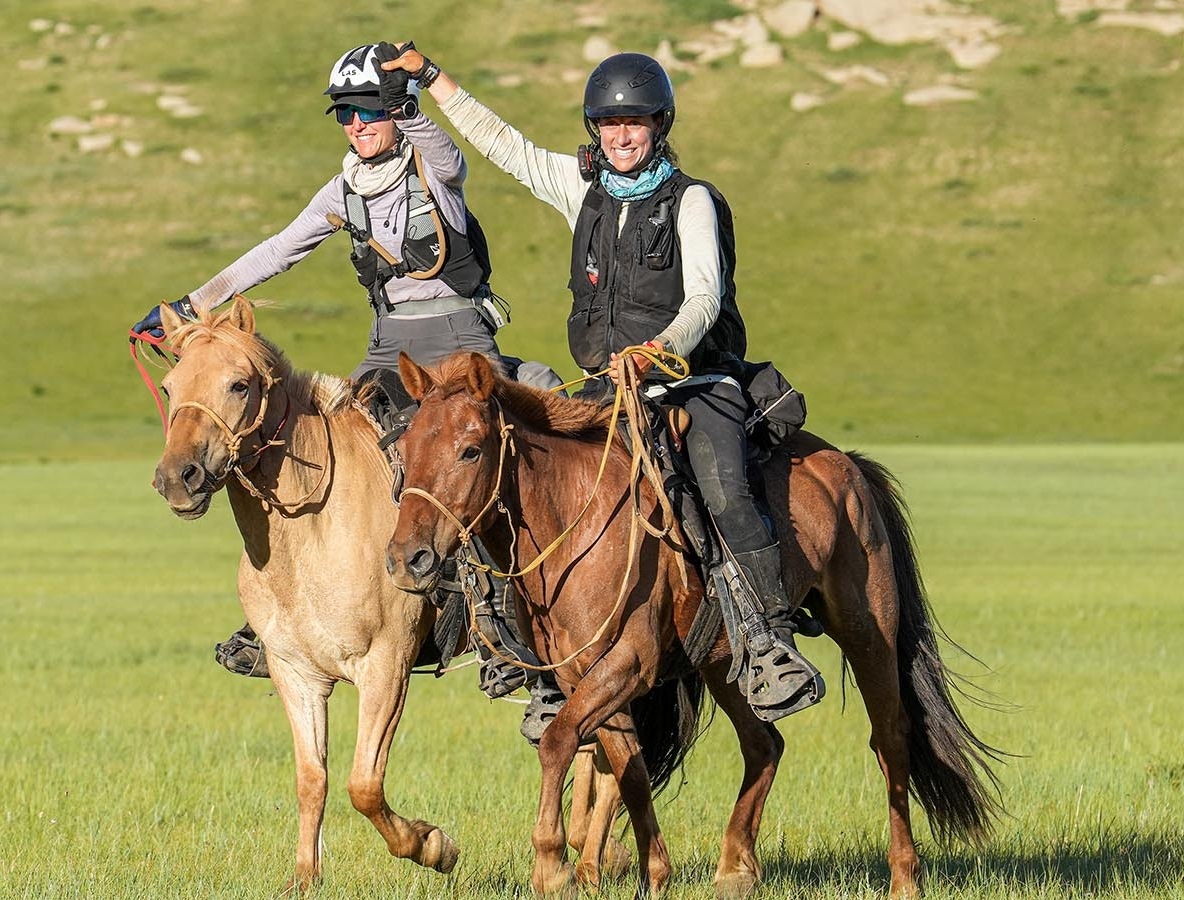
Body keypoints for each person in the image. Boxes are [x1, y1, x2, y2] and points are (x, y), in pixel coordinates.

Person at [381, 47, 824, 721]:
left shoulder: (693, 201)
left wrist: (656, 352)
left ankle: (766, 639)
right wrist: (434, 78)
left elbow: (704, 299)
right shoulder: (579, 186)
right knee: (512, 480)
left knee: (724, 490)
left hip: (694, 381)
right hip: (601, 394)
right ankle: (526, 654)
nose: (621, 135)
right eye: (609, 123)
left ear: (660, 126)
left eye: (636, 123)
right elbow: (505, 146)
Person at [132, 43, 555, 702]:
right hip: (389, 351)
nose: (357, 124)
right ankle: (296, 611)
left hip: (463, 344)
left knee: (469, 457)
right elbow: (278, 251)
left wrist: (408, 97)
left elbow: (450, 156)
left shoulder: (431, 167)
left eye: (370, 111)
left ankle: (500, 616)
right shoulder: (342, 192)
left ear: (395, 111)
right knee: (329, 445)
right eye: (346, 114)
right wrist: (194, 304)